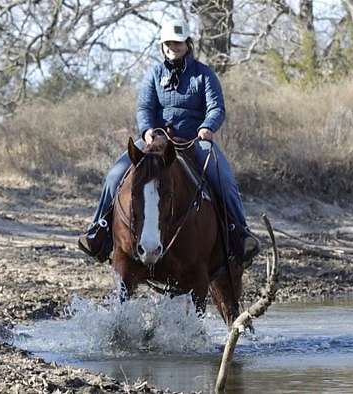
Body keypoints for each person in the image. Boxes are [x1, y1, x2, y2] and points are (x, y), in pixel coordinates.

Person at [78, 19, 259, 267]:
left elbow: (216, 107)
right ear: (162, 46)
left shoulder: (204, 74)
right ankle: (99, 231)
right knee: (114, 175)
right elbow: (144, 107)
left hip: (194, 139)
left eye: (178, 42)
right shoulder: (154, 74)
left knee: (223, 177)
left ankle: (239, 233)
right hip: (157, 141)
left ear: (187, 44)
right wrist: (147, 130)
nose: (173, 46)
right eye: (168, 43)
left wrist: (208, 126)